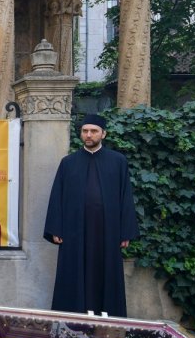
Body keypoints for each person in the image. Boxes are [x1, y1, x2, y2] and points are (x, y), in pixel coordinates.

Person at [43, 114, 138, 316]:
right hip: (74, 231)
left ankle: (108, 321)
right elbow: (57, 196)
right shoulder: (68, 163)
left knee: (106, 273)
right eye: (85, 131)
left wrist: (125, 232)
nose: (88, 135)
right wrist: (56, 228)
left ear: (103, 134)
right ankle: (72, 320)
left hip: (108, 231)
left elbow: (125, 197)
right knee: (74, 273)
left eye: (93, 131)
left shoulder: (118, 161)